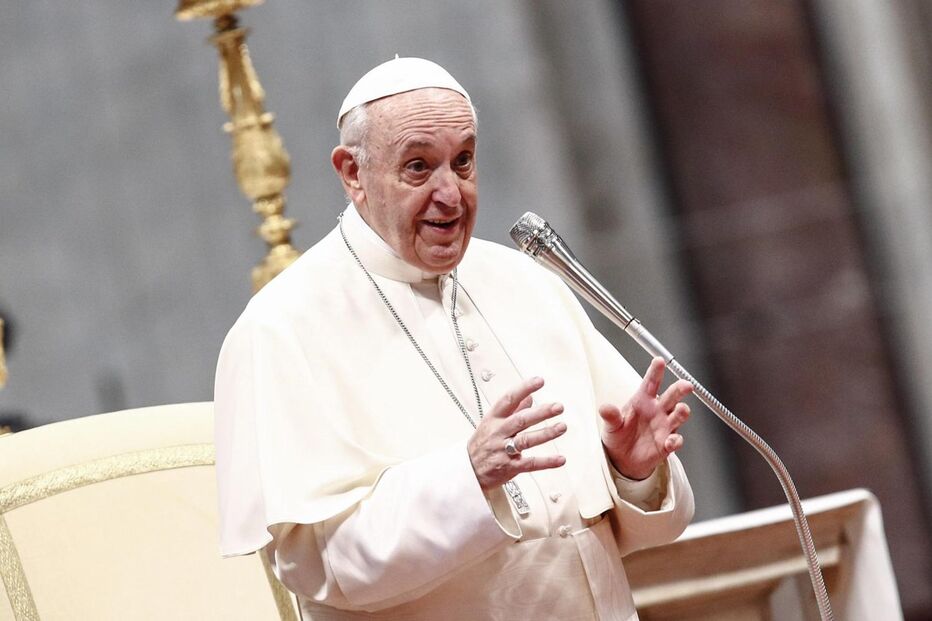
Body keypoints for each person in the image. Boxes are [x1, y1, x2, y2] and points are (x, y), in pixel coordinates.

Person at [214, 57, 695, 620]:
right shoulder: (282, 326)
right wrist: (466, 479)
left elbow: (614, 528)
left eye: (462, 162)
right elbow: (320, 564)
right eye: (418, 167)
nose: (451, 194)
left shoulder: (529, 283)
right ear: (352, 173)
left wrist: (631, 472)